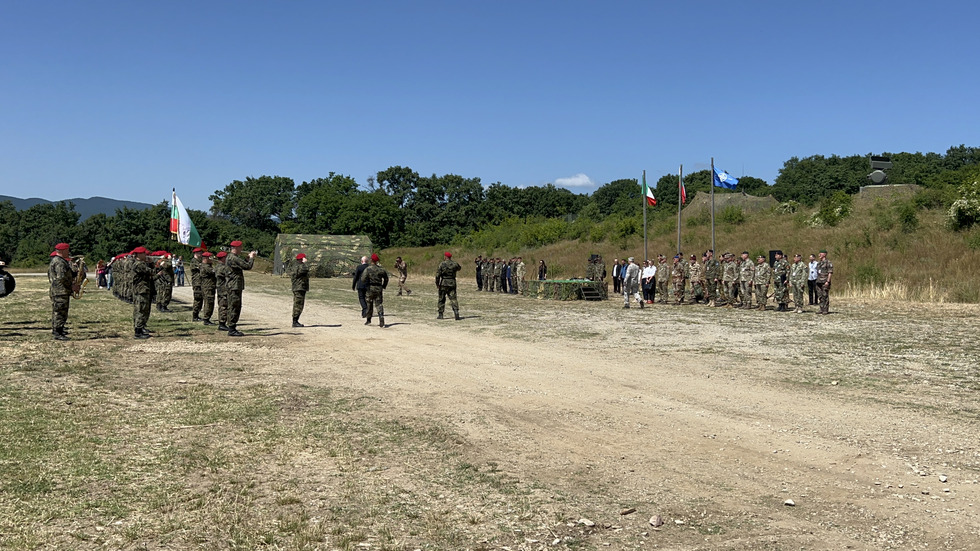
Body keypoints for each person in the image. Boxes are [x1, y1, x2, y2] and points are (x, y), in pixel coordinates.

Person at [225, 240, 256, 337]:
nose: (241, 249)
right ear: (236, 248)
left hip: (234, 285)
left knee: (234, 306)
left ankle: (232, 327)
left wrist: (247, 259)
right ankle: (232, 328)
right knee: (234, 306)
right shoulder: (233, 258)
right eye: (240, 247)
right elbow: (248, 267)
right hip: (234, 286)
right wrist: (251, 258)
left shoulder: (232, 257)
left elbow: (242, 265)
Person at [48, 242, 78, 340]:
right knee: (60, 311)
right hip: (60, 290)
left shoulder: (59, 260)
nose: (68, 252)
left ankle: (57, 329)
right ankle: (58, 332)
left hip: (59, 290)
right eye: (67, 250)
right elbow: (62, 277)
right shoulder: (59, 262)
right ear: (63, 251)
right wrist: (72, 285)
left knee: (58, 310)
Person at [130, 246, 154, 339]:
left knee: (141, 309)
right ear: (139, 255)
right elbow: (151, 272)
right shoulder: (139, 264)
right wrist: (157, 266)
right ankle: (138, 331)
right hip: (141, 290)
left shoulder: (140, 263)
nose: (145, 255)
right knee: (141, 309)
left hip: (142, 289)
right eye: (143, 253)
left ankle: (140, 328)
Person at [360, 253, 388, 328]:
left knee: (369, 303)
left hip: (370, 288)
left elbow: (363, 279)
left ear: (371, 260)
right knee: (379, 304)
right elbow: (386, 278)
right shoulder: (381, 269)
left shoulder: (368, 269)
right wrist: (384, 286)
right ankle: (381, 317)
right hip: (379, 288)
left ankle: (368, 320)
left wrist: (365, 284)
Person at [436, 251, 462, 320]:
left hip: (444, 282)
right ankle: (456, 311)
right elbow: (459, 268)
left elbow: (437, 275)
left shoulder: (442, 264)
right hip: (452, 282)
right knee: (453, 298)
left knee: (441, 298)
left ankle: (440, 314)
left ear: (445, 257)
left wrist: (437, 283)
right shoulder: (455, 264)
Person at [291, 252, 310, 327]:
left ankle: (295, 321)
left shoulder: (297, 266)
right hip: (299, 288)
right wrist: (304, 263)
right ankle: (295, 322)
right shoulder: (300, 266)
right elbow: (304, 270)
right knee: (298, 305)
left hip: (299, 287)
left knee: (298, 304)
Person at [199, 252, 217, 325]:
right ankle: (206, 319)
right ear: (206, 259)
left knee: (209, 302)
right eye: (210, 258)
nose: (212, 259)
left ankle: (207, 318)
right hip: (208, 287)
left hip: (209, 286)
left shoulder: (206, 266)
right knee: (209, 303)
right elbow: (214, 272)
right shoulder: (206, 267)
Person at [214, 251, 230, 330]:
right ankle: (222, 323)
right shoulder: (222, 267)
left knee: (222, 305)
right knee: (223, 306)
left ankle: (222, 322)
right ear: (223, 258)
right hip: (223, 288)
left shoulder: (218, 266)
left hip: (221, 288)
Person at [815, 249, 833, 315]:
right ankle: (821, 308)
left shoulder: (828, 262)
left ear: (824, 254)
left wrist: (828, 281)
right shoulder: (819, 263)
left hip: (825, 281)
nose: (819, 255)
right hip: (818, 281)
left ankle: (825, 309)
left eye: (821, 253)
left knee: (825, 295)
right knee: (820, 296)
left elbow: (830, 273)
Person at [189, 247, 204, 321]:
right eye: (200, 253)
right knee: (197, 299)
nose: (201, 254)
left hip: (201, 282)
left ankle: (197, 315)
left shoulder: (199, 261)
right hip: (197, 283)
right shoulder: (194, 261)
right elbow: (201, 267)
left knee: (201, 299)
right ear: (196, 253)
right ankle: (195, 316)